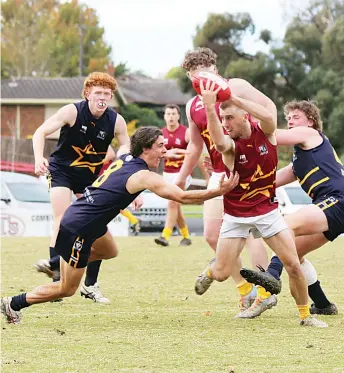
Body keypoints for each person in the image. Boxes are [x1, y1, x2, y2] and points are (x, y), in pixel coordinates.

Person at [1, 126, 239, 325]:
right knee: (66, 289)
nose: (164, 150)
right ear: (145, 149)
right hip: (79, 228)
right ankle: (13, 303)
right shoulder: (143, 176)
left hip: (88, 220)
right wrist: (218, 191)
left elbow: (128, 144)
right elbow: (183, 197)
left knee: (109, 251)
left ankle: (58, 261)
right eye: (160, 146)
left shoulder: (127, 156)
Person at [193, 78, 328, 327]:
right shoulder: (230, 145)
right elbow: (219, 141)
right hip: (236, 215)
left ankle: (305, 317)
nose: (226, 124)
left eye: (230, 118)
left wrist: (234, 99)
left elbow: (267, 115)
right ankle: (209, 272)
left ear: (245, 115)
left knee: (293, 266)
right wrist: (212, 108)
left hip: (268, 212)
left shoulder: (266, 132)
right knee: (222, 273)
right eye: (223, 120)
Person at [175, 47, 269, 312]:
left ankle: (264, 292)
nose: (200, 79)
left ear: (215, 70)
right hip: (219, 172)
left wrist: (265, 148)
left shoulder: (233, 87)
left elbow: (267, 111)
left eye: (205, 72)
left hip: (249, 171)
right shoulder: (192, 104)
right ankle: (245, 289)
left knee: (251, 234)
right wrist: (181, 178)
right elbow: (195, 145)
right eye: (194, 75)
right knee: (211, 234)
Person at [240, 100, 344, 316]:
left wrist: (245, 121)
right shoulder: (299, 159)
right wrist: (241, 184)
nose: (290, 120)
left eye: (296, 117)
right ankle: (322, 304)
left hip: (340, 200)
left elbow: (272, 136)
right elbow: (269, 181)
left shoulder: (311, 135)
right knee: (293, 254)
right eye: (288, 117)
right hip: (336, 208)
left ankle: (272, 276)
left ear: (310, 121)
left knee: (284, 226)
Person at [32, 72, 132, 304]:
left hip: (89, 177)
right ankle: (56, 269)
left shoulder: (116, 121)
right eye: (98, 92)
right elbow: (40, 132)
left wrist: (124, 162)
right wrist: (38, 158)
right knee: (63, 215)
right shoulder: (72, 111)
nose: (103, 97)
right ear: (87, 93)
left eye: (107, 94)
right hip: (61, 170)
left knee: (96, 226)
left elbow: (126, 145)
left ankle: (90, 285)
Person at [155, 104, 192, 247]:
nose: (170, 116)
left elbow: (196, 152)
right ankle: (186, 236)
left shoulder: (186, 132)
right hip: (167, 174)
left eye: (173, 114)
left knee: (172, 203)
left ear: (178, 116)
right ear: (164, 116)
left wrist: (206, 175)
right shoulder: (160, 134)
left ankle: (165, 235)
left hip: (182, 173)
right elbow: (156, 154)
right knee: (175, 205)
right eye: (168, 114)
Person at [102, 145, 141, 236]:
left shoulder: (97, 139)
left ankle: (134, 220)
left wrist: (96, 162)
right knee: (110, 204)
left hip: (105, 175)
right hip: (96, 176)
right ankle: (133, 220)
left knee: (110, 203)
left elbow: (111, 155)